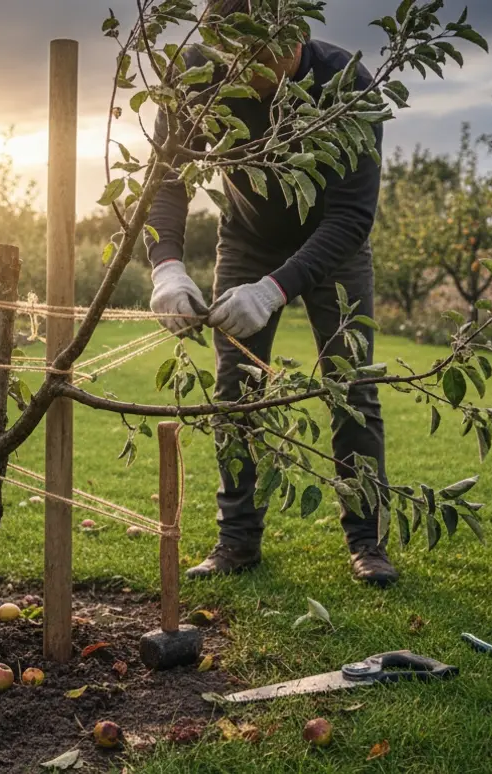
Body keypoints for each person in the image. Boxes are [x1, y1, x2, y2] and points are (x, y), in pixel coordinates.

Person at [144, 0, 397, 586]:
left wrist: (275, 290)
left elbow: (353, 217)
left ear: (296, 37)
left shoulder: (346, 82)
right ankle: (237, 541)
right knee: (236, 391)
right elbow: (167, 180)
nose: (250, 76)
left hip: (333, 247)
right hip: (248, 238)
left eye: (263, 59)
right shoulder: (196, 77)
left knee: (351, 386)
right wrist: (167, 267)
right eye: (237, 60)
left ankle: (366, 540)